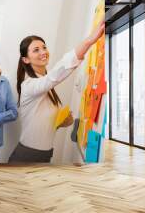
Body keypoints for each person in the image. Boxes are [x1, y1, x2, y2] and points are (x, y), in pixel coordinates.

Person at [9, 21, 105, 163]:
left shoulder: (47, 87)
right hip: (26, 155)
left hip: (45, 155)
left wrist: (61, 122)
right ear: (26, 59)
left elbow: (41, 122)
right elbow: (55, 75)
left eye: (44, 47)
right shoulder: (29, 85)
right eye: (36, 50)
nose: (43, 52)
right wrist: (89, 41)